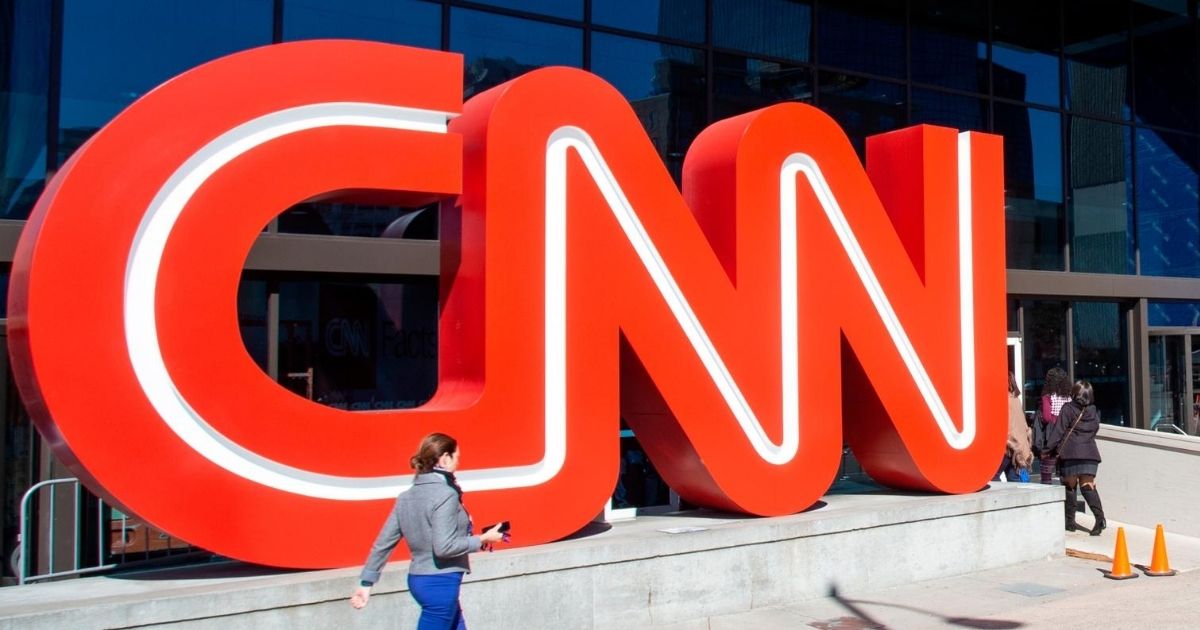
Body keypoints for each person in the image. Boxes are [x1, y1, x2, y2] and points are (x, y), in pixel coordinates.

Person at [350, 433, 506, 629]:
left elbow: (383, 543)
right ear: (445, 458)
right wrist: (483, 538)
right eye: (457, 458)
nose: (458, 464)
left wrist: (366, 583)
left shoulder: (406, 497)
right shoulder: (446, 495)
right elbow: (444, 547)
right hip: (440, 582)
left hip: (420, 579)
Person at [1047, 380, 1105, 536]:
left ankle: (1070, 522)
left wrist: (1047, 448)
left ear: (1074, 393)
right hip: (1090, 454)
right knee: (1088, 486)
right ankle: (1100, 519)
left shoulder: (1068, 408)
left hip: (1071, 453)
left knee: (1070, 486)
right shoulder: (1094, 411)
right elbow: (1095, 429)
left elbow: (1058, 431)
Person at [995, 371, 1033, 482]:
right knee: (1019, 480)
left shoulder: (1001, 400)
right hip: (1020, 447)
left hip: (1008, 446)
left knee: (992, 477)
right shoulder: (1016, 399)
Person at [1036, 367, 1071, 484]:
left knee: (1047, 472)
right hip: (1066, 435)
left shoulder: (1048, 396)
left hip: (1051, 434)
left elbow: (1046, 417)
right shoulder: (1069, 396)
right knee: (1065, 472)